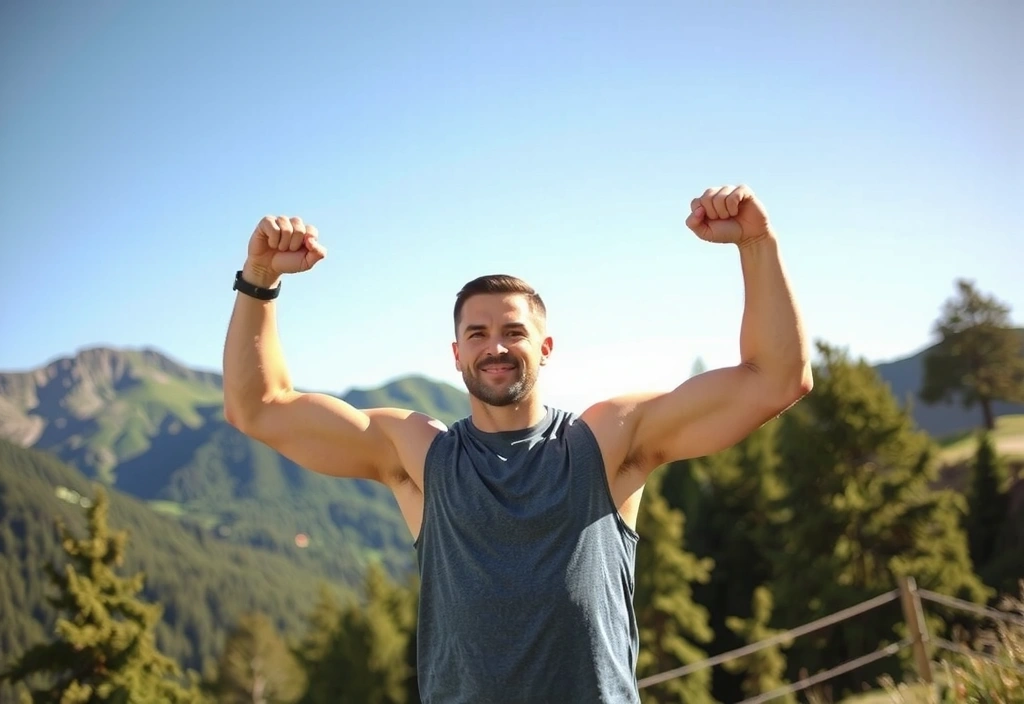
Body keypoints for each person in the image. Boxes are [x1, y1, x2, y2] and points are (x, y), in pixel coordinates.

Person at [222, 184, 812, 703]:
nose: (495, 347)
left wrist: (757, 243)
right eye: (476, 334)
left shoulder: (606, 441)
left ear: (545, 348)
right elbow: (259, 408)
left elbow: (777, 380)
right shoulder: (418, 454)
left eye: (513, 332)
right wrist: (260, 280)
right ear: (456, 355)